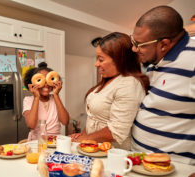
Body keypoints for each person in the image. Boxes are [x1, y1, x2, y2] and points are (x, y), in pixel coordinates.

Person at [130, 6, 195, 165]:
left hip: (173, 168)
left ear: (164, 44)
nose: (134, 49)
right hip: (140, 162)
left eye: (139, 44)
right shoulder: (156, 60)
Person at [71, 32, 149, 150]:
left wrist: (85, 139)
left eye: (101, 59)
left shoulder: (129, 84)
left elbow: (116, 132)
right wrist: (83, 135)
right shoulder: (108, 80)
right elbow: (93, 118)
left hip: (111, 153)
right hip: (94, 148)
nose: (96, 64)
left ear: (120, 60)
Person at [22, 62, 69, 141]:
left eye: (48, 80)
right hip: (37, 142)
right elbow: (31, 125)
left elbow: (65, 121)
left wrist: (56, 95)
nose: (46, 84)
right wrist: (36, 97)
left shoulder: (56, 98)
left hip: (55, 141)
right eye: (41, 80)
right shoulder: (28, 100)